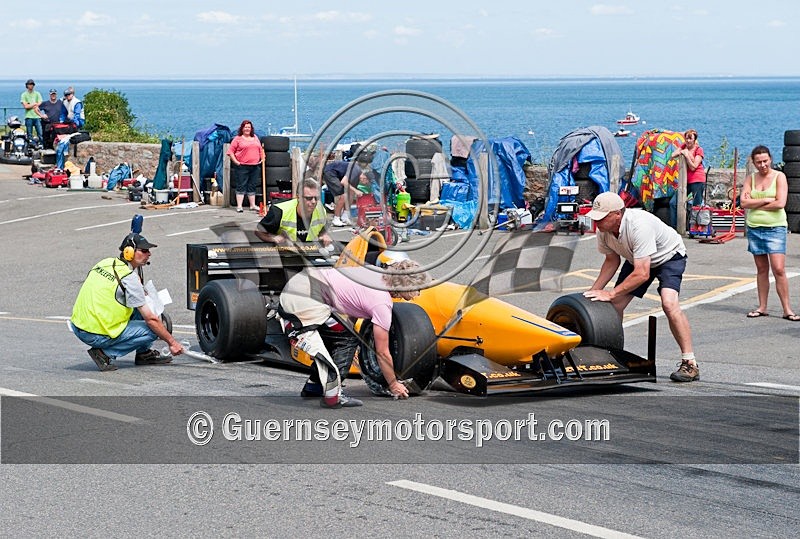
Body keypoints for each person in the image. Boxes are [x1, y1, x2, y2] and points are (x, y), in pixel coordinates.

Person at [279, 259, 429, 408]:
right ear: (407, 286)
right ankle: (333, 395)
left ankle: (315, 386)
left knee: (339, 334)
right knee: (348, 339)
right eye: (418, 289)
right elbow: (382, 352)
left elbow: (352, 301)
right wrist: (393, 383)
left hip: (299, 285)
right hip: (305, 298)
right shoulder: (381, 303)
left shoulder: (373, 272)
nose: (419, 294)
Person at [583, 191, 700, 382]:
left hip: (668, 256)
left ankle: (690, 363)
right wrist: (593, 291)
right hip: (637, 257)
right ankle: (612, 356)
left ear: (617, 214)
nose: (598, 222)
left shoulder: (639, 226)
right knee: (613, 307)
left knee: (669, 304)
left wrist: (611, 293)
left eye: (602, 218)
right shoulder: (603, 231)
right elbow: (611, 261)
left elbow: (642, 273)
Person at [70, 233, 184, 371]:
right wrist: (172, 342)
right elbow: (151, 320)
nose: (149, 254)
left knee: (137, 308)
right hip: (96, 334)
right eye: (144, 250)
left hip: (79, 326)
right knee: (155, 329)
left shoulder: (105, 263)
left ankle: (144, 353)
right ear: (129, 252)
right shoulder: (129, 278)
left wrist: (137, 289)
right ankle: (104, 354)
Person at [740, 145, 799, 321]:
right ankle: (762, 306)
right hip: (755, 227)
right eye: (759, 162)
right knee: (761, 269)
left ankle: (787, 309)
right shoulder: (750, 179)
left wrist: (754, 201)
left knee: (779, 269)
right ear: (754, 162)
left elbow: (780, 203)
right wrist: (766, 199)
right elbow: (743, 202)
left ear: (770, 159)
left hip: (775, 227)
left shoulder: (779, 177)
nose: (762, 165)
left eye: (765, 161)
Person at [255, 178, 332, 246]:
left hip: (306, 252)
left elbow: (323, 229)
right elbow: (259, 231)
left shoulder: (321, 210)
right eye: (309, 198)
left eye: (316, 198)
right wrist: (273, 239)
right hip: (282, 254)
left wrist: (324, 235)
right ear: (298, 197)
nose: (313, 201)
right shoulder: (279, 211)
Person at [670, 129, 706, 227]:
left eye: (690, 138)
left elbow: (694, 166)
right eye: (686, 138)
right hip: (685, 181)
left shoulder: (699, 150)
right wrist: (683, 151)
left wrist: (686, 155)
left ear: (695, 140)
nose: (688, 141)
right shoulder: (683, 146)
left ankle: (696, 228)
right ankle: (675, 227)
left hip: (697, 180)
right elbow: (673, 155)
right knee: (673, 203)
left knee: (696, 205)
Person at [227, 119, 264, 213]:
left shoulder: (255, 137)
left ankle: (252, 205)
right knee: (241, 185)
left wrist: (263, 158)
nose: (247, 129)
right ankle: (239, 206)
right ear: (242, 128)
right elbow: (230, 151)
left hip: (255, 166)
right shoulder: (237, 139)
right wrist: (236, 162)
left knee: (252, 185)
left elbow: (260, 149)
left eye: (249, 127)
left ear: (251, 129)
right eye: (245, 127)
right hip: (242, 166)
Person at [322, 160, 366, 227]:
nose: (364, 182)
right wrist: (356, 191)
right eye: (365, 179)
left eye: (366, 182)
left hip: (338, 174)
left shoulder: (357, 178)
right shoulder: (356, 170)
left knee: (351, 193)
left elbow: (351, 192)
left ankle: (345, 216)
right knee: (343, 195)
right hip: (330, 172)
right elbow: (343, 182)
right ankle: (336, 218)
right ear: (363, 174)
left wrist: (355, 191)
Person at [20, 79, 44, 147]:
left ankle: (42, 146)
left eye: (32, 84)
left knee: (40, 133)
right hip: (29, 117)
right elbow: (26, 106)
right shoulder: (24, 94)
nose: (31, 86)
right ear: (27, 85)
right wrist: (34, 104)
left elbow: (40, 102)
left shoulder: (37, 93)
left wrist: (30, 104)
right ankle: (30, 146)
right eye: (29, 84)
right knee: (29, 134)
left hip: (37, 116)